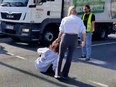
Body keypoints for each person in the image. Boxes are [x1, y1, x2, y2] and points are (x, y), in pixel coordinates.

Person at [54, 6, 86, 79]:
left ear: (70, 12)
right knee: (69, 57)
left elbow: (61, 31)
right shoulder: (79, 20)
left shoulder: (65, 19)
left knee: (61, 56)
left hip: (65, 37)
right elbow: (83, 32)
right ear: (75, 12)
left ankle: (57, 74)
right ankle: (65, 74)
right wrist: (83, 41)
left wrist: (58, 39)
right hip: (74, 38)